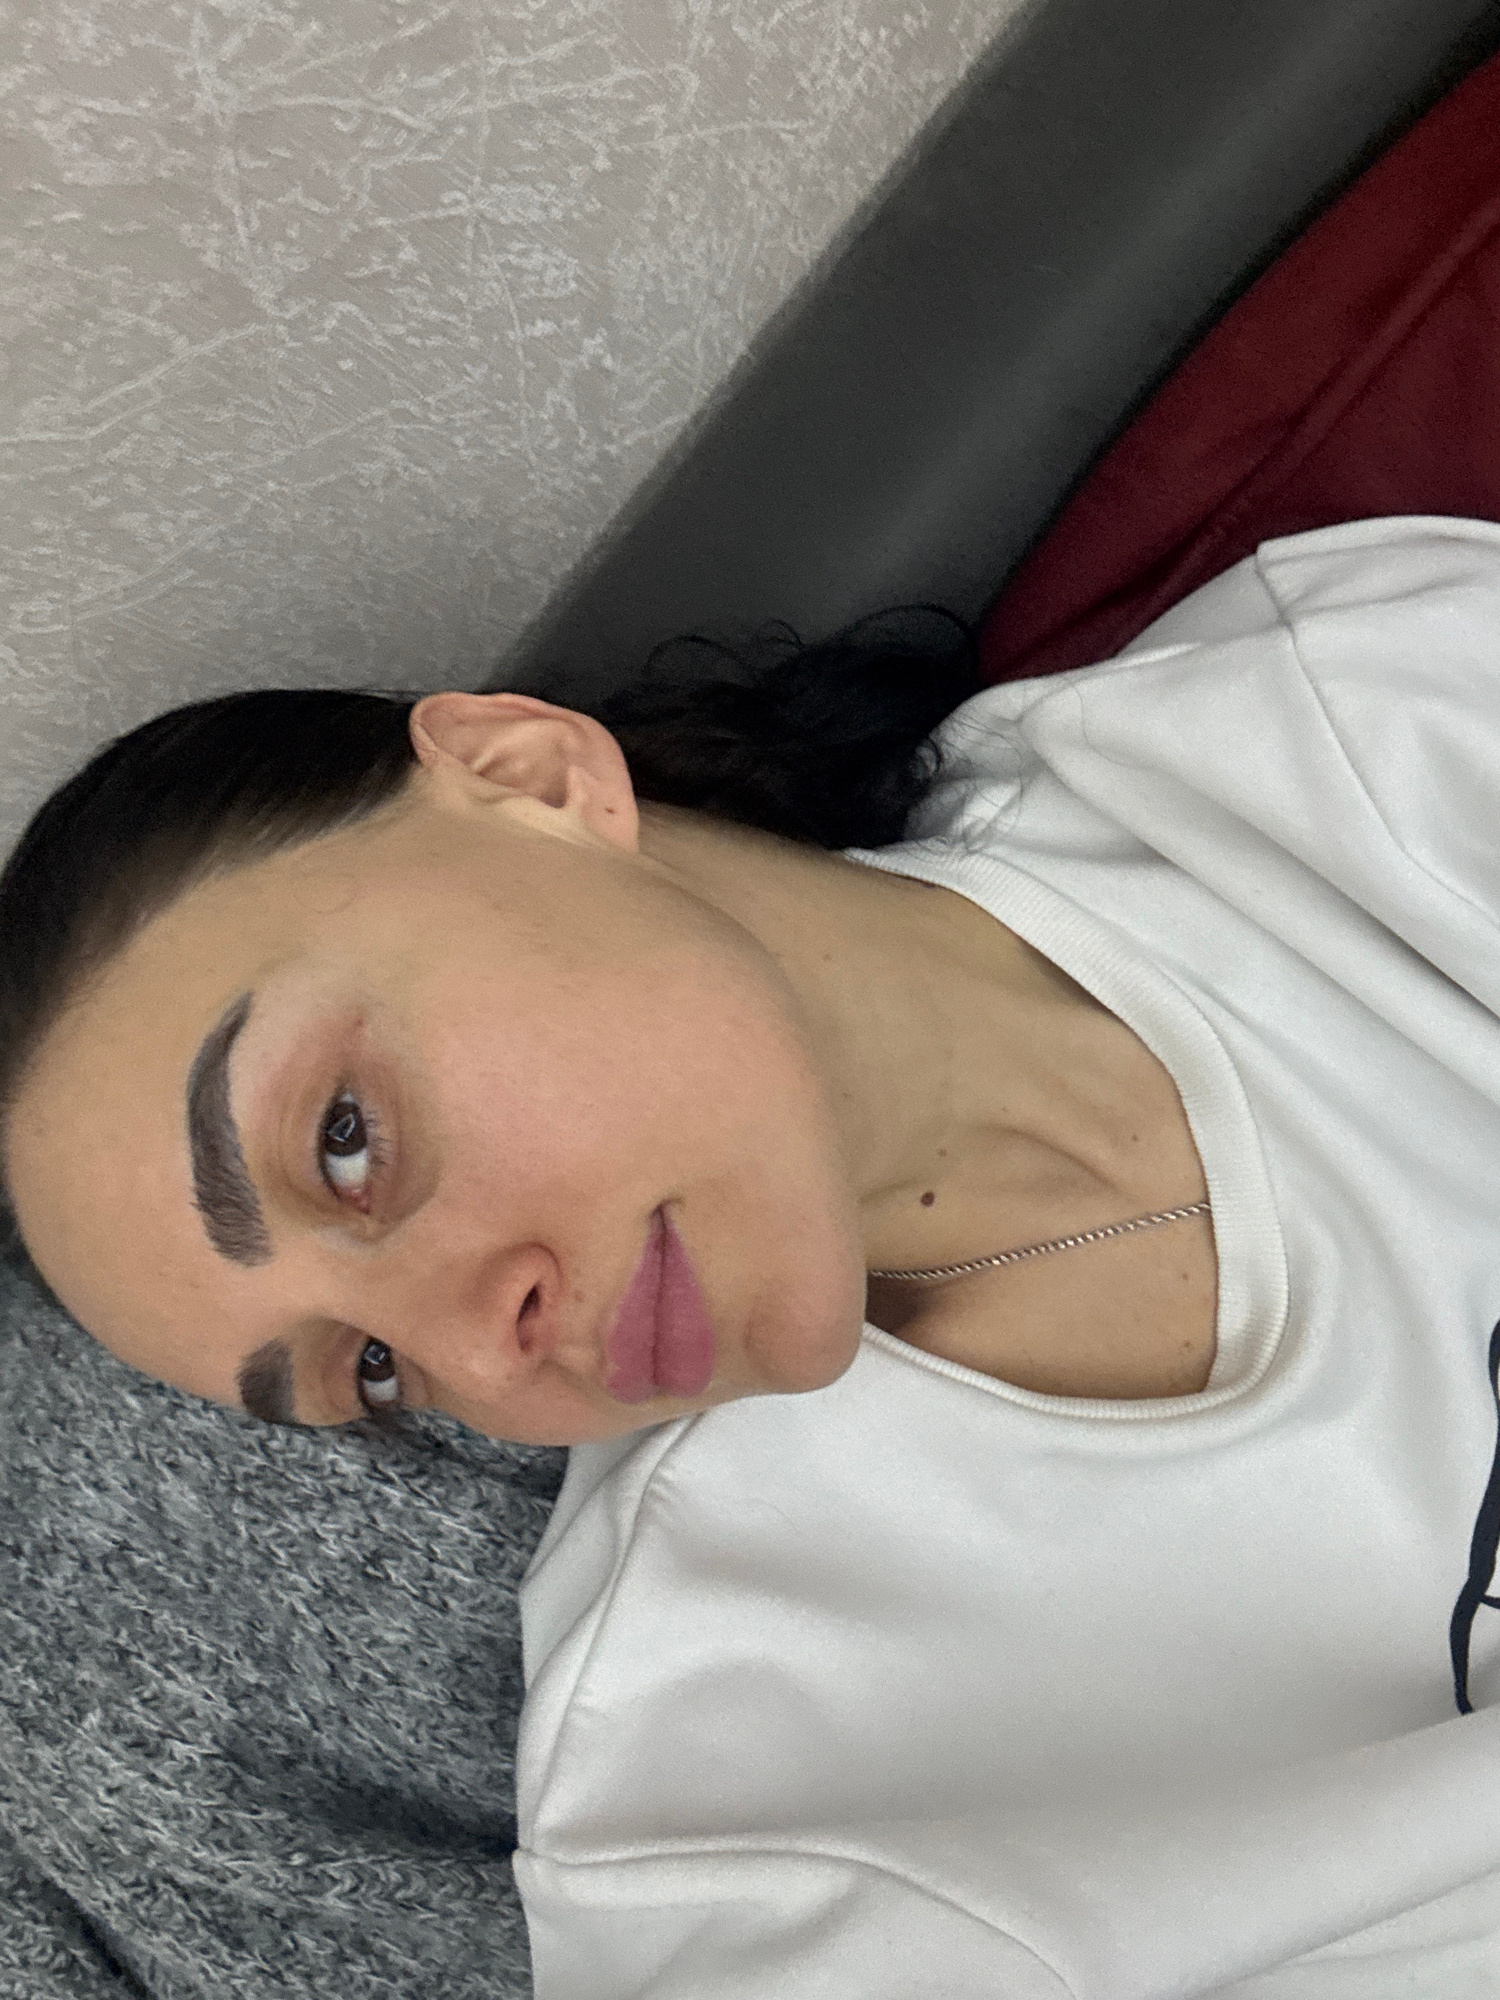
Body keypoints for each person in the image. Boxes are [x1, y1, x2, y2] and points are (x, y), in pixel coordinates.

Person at [7, 515, 1500, 1995]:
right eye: (375, 1371)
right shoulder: (717, 1797)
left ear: (529, 778)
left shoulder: (1338, 738)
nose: (477, 1355)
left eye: (345, 1139)